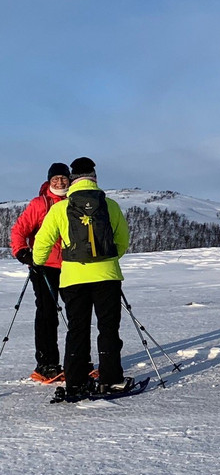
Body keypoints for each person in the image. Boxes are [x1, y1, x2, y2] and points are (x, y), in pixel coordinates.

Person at [32, 157, 132, 398]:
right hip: (107, 276)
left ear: (73, 179)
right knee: (108, 328)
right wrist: (108, 259)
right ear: (94, 177)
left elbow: (42, 243)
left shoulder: (59, 208)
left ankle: (75, 382)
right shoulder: (110, 205)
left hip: (73, 278)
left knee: (77, 330)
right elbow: (123, 241)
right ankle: (111, 379)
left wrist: (38, 262)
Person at [10, 163, 70, 381]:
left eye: (64, 178)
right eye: (56, 179)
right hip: (43, 267)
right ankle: (47, 364)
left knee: (77, 316)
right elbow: (19, 230)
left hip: (73, 267)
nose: (60, 182)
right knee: (47, 316)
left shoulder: (75, 201)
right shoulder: (40, 204)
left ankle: (77, 361)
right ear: (49, 181)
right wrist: (23, 253)